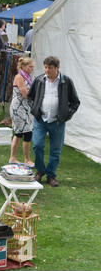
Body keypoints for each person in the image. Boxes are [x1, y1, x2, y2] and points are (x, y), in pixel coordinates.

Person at [27, 56, 80, 187]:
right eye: (45, 67)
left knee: (55, 149)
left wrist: (65, 115)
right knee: (37, 145)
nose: (47, 70)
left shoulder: (66, 81)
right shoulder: (39, 80)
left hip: (57, 121)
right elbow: (30, 97)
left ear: (57, 68)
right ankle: (39, 171)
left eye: (50, 68)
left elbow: (75, 102)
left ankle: (51, 175)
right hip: (41, 119)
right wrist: (35, 110)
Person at [9, 57, 35, 167]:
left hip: (25, 107)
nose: (32, 69)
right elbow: (25, 94)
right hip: (18, 108)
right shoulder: (19, 77)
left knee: (19, 133)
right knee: (28, 132)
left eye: (33, 67)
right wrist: (34, 92)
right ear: (23, 67)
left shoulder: (27, 77)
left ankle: (13, 158)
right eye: (30, 67)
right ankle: (27, 159)